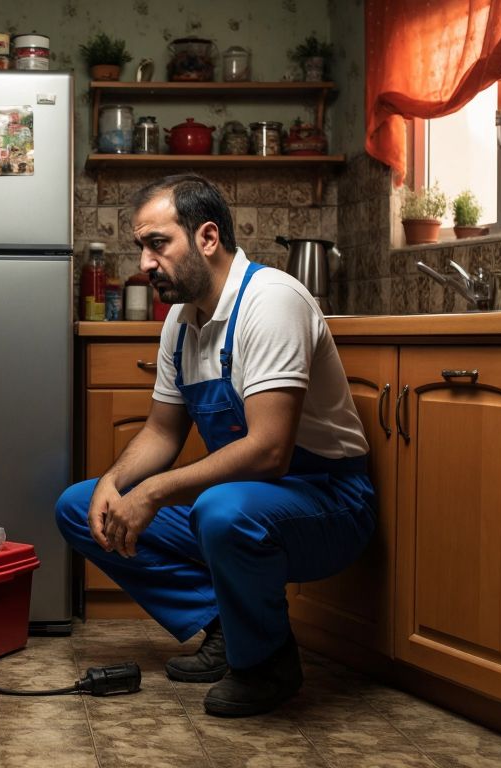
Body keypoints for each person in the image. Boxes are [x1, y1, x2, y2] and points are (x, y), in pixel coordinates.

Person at [55, 174, 375, 717]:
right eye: (142, 248)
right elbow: (162, 431)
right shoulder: (181, 323)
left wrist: (153, 492)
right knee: (80, 506)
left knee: (220, 510)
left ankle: (268, 663)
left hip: (329, 501)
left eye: (158, 244)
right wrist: (114, 483)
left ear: (207, 237)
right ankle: (228, 628)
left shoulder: (270, 302)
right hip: (241, 501)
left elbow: (271, 449)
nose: (146, 263)